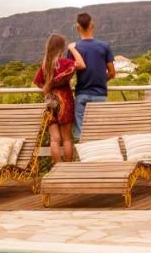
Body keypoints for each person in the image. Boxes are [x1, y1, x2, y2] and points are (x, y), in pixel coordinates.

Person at [33, 34, 83, 163]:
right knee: (67, 139)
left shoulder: (44, 65)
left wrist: (49, 87)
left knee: (55, 139)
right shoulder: (64, 63)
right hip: (64, 100)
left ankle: (57, 168)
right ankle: (67, 169)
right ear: (61, 48)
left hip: (50, 101)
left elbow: (38, 83)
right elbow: (80, 64)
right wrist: (72, 48)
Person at [67, 11, 114, 139]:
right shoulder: (104, 46)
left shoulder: (74, 48)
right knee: (99, 133)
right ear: (92, 25)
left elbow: (69, 73)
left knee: (81, 136)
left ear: (78, 27)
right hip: (100, 95)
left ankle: (84, 158)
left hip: (81, 95)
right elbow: (112, 73)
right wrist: (101, 80)